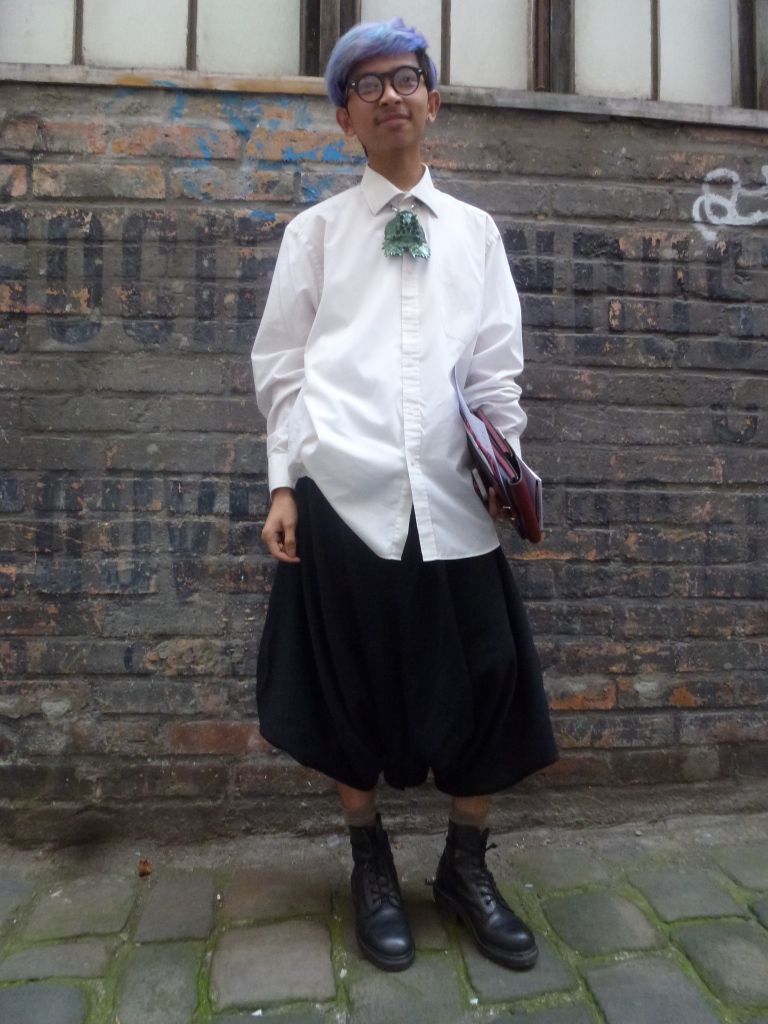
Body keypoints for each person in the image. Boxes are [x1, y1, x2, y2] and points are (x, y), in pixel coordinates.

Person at [251, 17, 558, 974]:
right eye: (368, 84)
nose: (390, 95)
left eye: (406, 79)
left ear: (434, 100)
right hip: (342, 495)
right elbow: (281, 367)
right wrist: (284, 483)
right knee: (345, 688)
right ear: (345, 117)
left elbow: (497, 369)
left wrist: (505, 466)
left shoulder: (476, 234)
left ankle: (465, 866)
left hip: (456, 504)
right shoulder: (314, 235)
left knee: (489, 679)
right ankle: (370, 863)